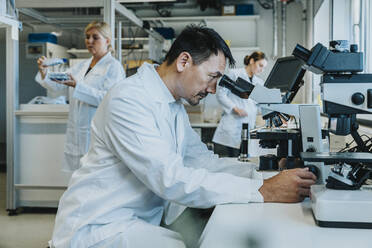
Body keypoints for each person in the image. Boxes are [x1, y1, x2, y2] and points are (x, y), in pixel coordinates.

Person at [48, 25, 316, 248]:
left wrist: (262, 176)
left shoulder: (172, 104)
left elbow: (201, 161)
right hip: (99, 226)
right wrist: (262, 191)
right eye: (212, 77)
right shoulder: (128, 99)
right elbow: (170, 178)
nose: (213, 90)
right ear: (184, 61)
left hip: (136, 219)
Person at [35, 21, 126, 172]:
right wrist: (45, 71)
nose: (89, 41)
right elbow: (58, 84)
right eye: (87, 37)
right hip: (76, 132)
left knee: (94, 181)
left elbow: (109, 100)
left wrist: (78, 86)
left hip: (97, 135)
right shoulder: (82, 65)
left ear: (107, 41)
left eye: (95, 37)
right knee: (77, 179)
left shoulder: (113, 67)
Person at [213, 51, 268, 157]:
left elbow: (258, 105)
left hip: (248, 129)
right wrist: (235, 108)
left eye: (264, 67)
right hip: (232, 127)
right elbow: (220, 94)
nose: (261, 69)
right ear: (252, 61)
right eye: (260, 65)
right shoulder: (234, 74)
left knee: (243, 163)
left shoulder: (259, 82)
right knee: (231, 163)